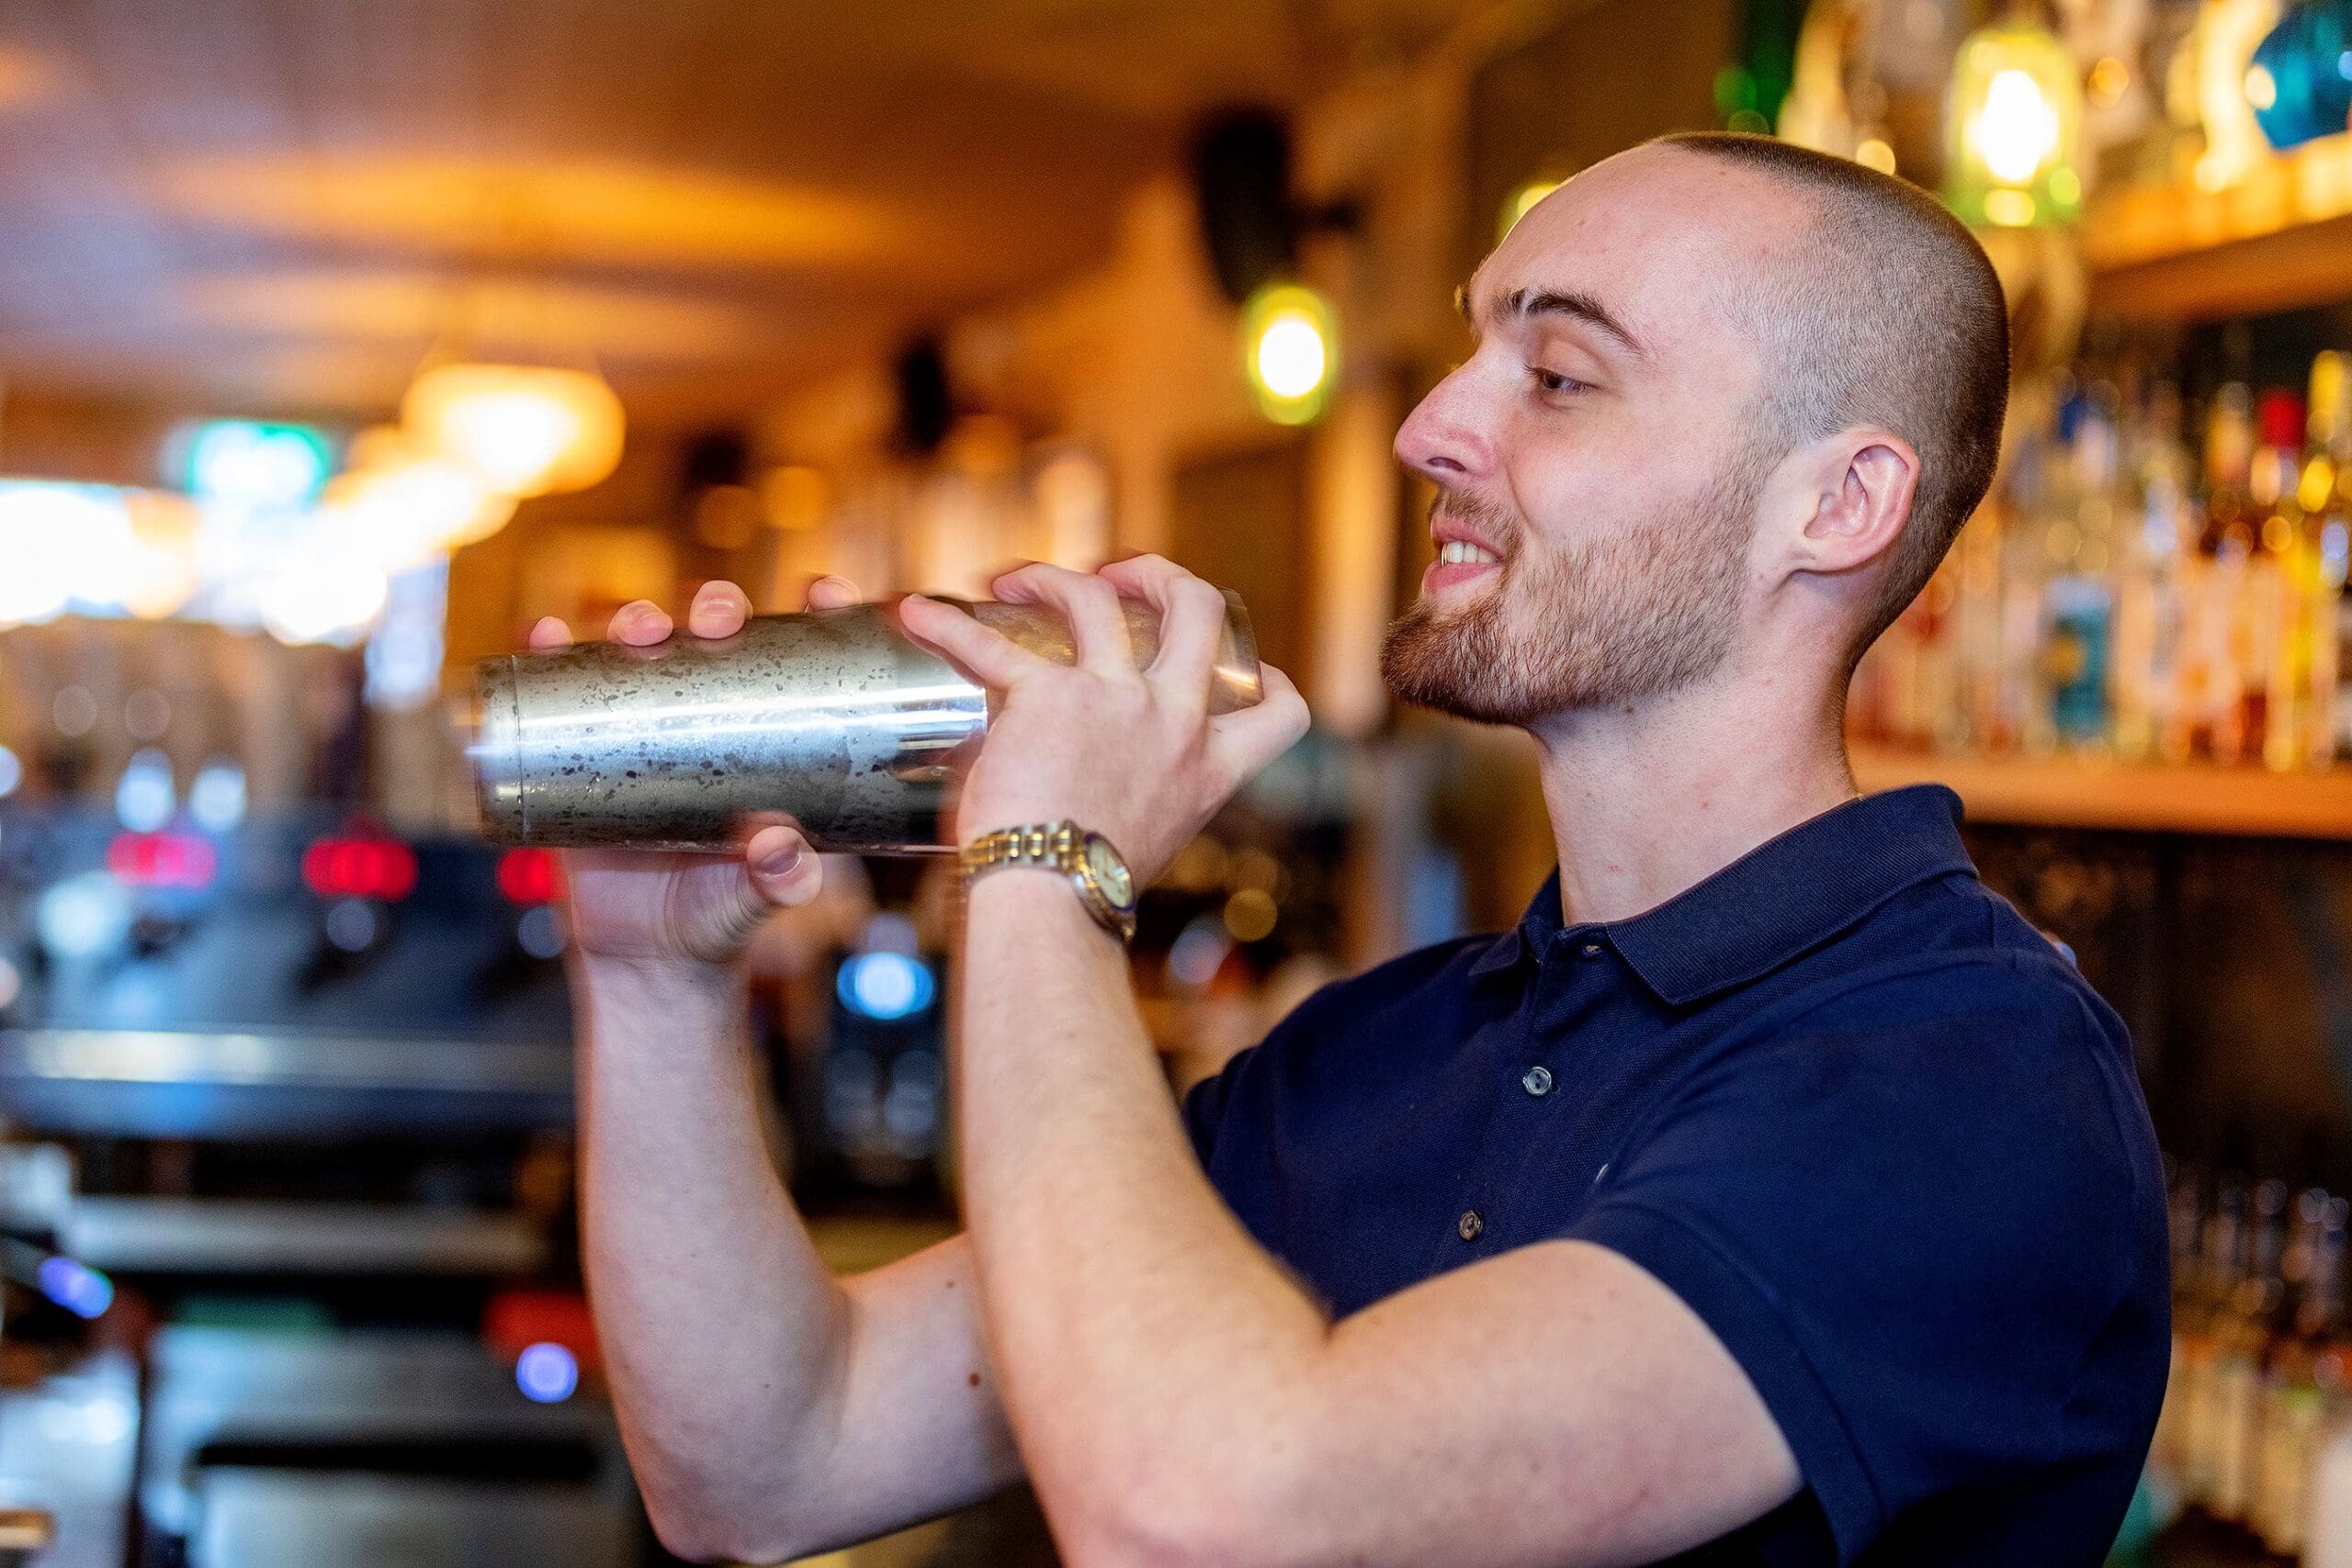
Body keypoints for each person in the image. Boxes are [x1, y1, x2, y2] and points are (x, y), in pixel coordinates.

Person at [537, 132, 2167, 1567]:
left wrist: (1042, 860)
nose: (1431, 429)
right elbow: (762, 1462)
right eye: (1472, 353)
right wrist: (655, 981)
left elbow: (1212, 1510)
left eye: (1559, 376)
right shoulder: (1381, 1056)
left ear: (1839, 507)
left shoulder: (1964, 1088)